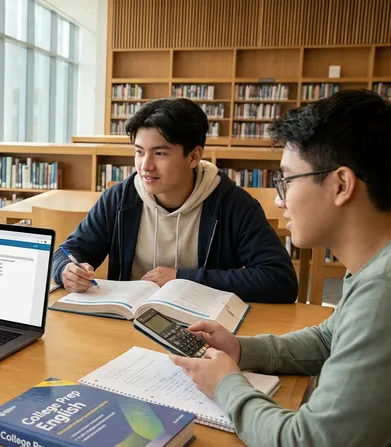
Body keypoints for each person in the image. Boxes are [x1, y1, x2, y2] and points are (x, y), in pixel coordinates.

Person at [171, 90, 391, 445]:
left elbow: (307, 441)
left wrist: (226, 384)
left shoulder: (384, 290)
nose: (277, 199)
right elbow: (326, 340)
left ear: (341, 185)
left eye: (286, 180)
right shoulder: (374, 265)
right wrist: (240, 350)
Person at [52, 98, 298, 303]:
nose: (145, 166)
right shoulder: (119, 199)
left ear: (194, 156)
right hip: (126, 321)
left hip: (203, 325)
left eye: (159, 153)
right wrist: (65, 270)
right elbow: (68, 251)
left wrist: (183, 279)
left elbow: (279, 280)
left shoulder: (234, 205)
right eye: (139, 152)